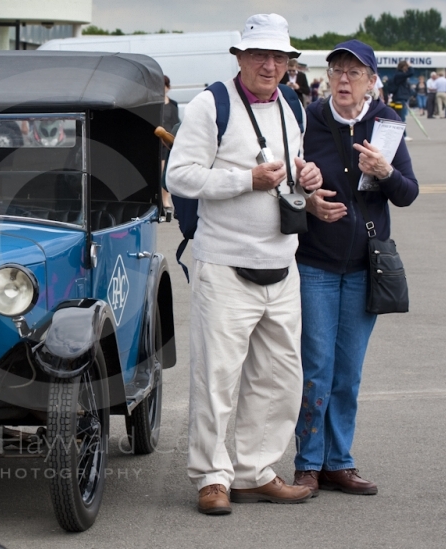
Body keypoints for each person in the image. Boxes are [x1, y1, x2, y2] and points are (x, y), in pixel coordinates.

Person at [165, 13, 322, 516]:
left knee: (278, 378)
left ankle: (255, 472)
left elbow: (291, 173)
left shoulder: (292, 105)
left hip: (281, 263)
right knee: (217, 379)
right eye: (260, 55)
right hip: (226, 266)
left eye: (279, 57)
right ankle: (213, 477)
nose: (270, 65)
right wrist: (244, 181)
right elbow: (180, 176)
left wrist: (308, 178)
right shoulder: (212, 106)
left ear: (289, 64)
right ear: (240, 57)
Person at [292, 39, 418, 497]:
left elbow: (407, 193)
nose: (344, 80)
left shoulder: (386, 125)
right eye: (337, 71)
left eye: (354, 73)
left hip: (365, 267)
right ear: (328, 77)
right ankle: (308, 462)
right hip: (316, 265)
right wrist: (306, 203)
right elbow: (282, 186)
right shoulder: (307, 121)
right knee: (316, 367)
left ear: (370, 82)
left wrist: (385, 171)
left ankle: (338, 462)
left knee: (348, 371)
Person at [161, 75, 181, 212]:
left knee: (166, 171)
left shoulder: (173, 104)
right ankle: (159, 200)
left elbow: (176, 121)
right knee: (160, 173)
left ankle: (165, 200)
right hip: (157, 141)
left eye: (164, 85)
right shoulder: (154, 104)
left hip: (169, 142)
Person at [390, 60, 414, 140]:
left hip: (400, 97)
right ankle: (403, 135)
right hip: (400, 98)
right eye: (406, 67)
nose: (407, 68)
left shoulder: (398, 75)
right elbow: (411, 73)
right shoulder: (400, 75)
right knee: (401, 117)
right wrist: (410, 66)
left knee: (400, 117)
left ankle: (401, 135)